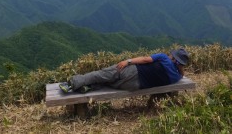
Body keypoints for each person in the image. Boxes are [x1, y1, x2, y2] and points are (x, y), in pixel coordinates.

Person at [59, 48, 189, 93]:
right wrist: (180, 67)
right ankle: (88, 86)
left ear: (173, 58)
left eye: (173, 54)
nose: (170, 54)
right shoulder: (176, 77)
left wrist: (128, 61)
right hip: (134, 86)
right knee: (107, 83)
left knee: (102, 74)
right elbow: (182, 74)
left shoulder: (164, 58)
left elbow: (145, 59)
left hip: (131, 71)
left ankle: (72, 84)